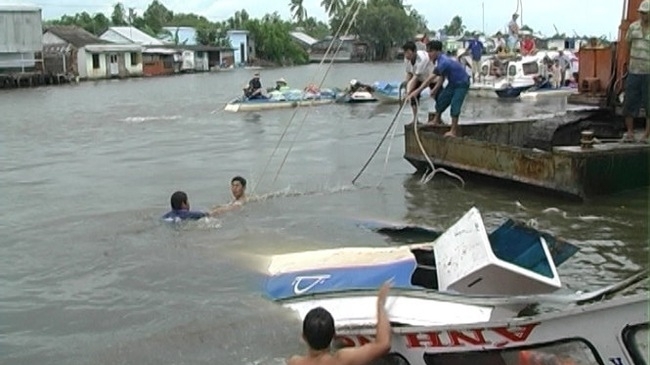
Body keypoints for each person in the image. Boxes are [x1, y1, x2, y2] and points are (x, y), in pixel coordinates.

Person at [287, 282, 392, 365]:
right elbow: (383, 344)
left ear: (304, 336)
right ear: (334, 335)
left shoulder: (294, 362)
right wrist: (380, 304)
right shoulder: (342, 360)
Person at [425, 40, 471, 137]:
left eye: (430, 52)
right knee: (442, 99)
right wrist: (435, 89)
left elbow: (430, 79)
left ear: (437, 51)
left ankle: (453, 131)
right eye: (428, 52)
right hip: (452, 83)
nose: (428, 54)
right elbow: (442, 77)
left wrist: (417, 91)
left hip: (462, 83)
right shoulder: (440, 60)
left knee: (455, 105)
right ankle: (436, 120)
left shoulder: (444, 61)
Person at [623, 0, 650, 142]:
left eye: (645, 13)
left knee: (649, 104)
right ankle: (630, 132)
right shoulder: (633, 28)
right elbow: (628, 46)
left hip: (649, 73)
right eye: (641, 13)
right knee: (630, 102)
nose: (643, 16)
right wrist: (627, 64)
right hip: (634, 71)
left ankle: (647, 135)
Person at [401, 41, 435, 124]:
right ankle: (415, 119)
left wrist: (408, 92)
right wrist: (406, 87)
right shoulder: (407, 59)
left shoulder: (422, 59)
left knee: (436, 95)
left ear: (414, 51)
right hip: (419, 77)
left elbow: (415, 78)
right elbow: (409, 73)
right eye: (405, 53)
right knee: (414, 98)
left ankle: (437, 118)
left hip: (430, 77)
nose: (407, 55)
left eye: (408, 53)